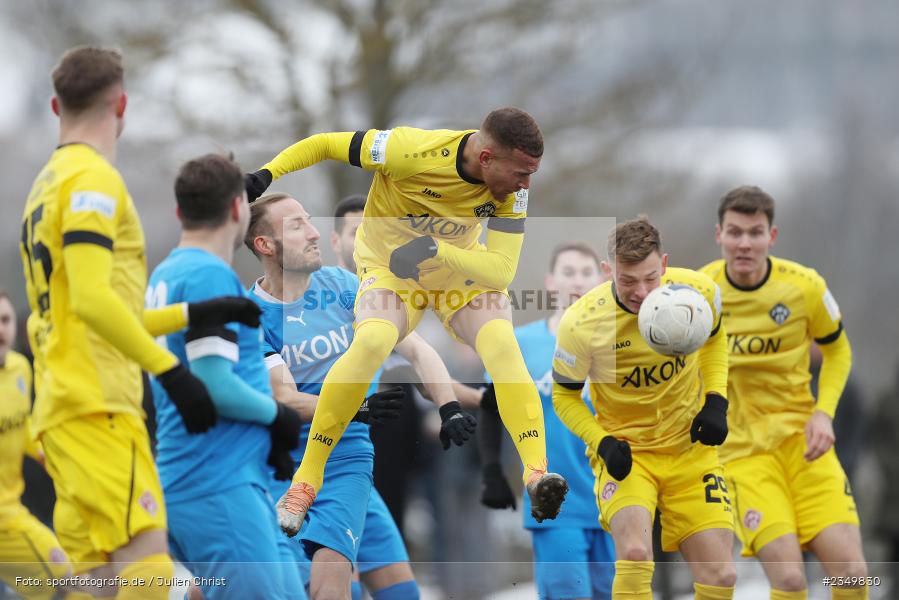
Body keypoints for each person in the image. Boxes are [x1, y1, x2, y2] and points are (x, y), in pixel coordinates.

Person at [245, 107, 568, 532]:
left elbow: (502, 270)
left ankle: (536, 474)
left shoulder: (513, 192)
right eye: (522, 173)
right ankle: (305, 483)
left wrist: (436, 248)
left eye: (532, 174)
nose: (527, 184)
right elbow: (324, 143)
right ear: (487, 158)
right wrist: (265, 175)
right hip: (391, 272)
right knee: (372, 343)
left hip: (455, 272)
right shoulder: (408, 150)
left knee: (502, 344)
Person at [19, 46, 259, 598]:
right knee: (149, 570)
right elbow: (91, 300)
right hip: (99, 405)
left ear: (56, 106)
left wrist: (192, 314)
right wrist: (171, 370)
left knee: (95, 582)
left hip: (62, 407)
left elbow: (93, 308)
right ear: (121, 104)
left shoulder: (45, 184)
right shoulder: (91, 181)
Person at [247, 192, 473, 599]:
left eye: (309, 220)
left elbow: (417, 351)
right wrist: (358, 407)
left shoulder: (345, 287)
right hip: (282, 468)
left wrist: (450, 406)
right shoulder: (251, 316)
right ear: (264, 245)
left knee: (395, 591)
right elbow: (284, 396)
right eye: (296, 225)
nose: (314, 232)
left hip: (346, 462)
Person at [146, 155, 305, 599]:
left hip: (222, 480)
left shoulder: (168, 270)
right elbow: (214, 385)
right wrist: (278, 417)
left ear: (181, 212)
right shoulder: (207, 275)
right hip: (215, 482)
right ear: (238, 209)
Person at [553, 217, 736, 600]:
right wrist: (602, 443)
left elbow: (716, 340)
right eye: (628, 281)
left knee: (720, 575)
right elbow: (564, 396)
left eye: (650, 278)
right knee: (635, 554)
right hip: (627, 455)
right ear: (607, 272)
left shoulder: (698, 292)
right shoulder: (582, 324)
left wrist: (716, 401)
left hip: (690, 453)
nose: (640, 292)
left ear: (664, 264)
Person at [700, 186, 867, 600]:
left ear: (771, 237)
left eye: (755, 233)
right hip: (743, 456)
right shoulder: (700, 292)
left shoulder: (805, 287)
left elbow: (839, 352)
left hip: (805, 448)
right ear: (718, 233)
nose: (744, 243)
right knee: (790, 580)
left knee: (852, 574)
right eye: (735, 232)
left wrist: (824, 413)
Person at [479, 241, 616, 600]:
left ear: (601, 280)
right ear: (550, 282)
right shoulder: (520, 343)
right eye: (568, 272)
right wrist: (492, 468)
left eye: (586, 273)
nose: (577, 281)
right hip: (555, 501)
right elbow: (491, 407)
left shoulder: (620, 343)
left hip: (615, 497)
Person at [0, 291, 72, 599]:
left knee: (71, 581)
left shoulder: (20, 369)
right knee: (69, 584)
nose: (0, 329)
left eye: (4, 320)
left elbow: (22, 425)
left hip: (10, 515)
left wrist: (45, 452)